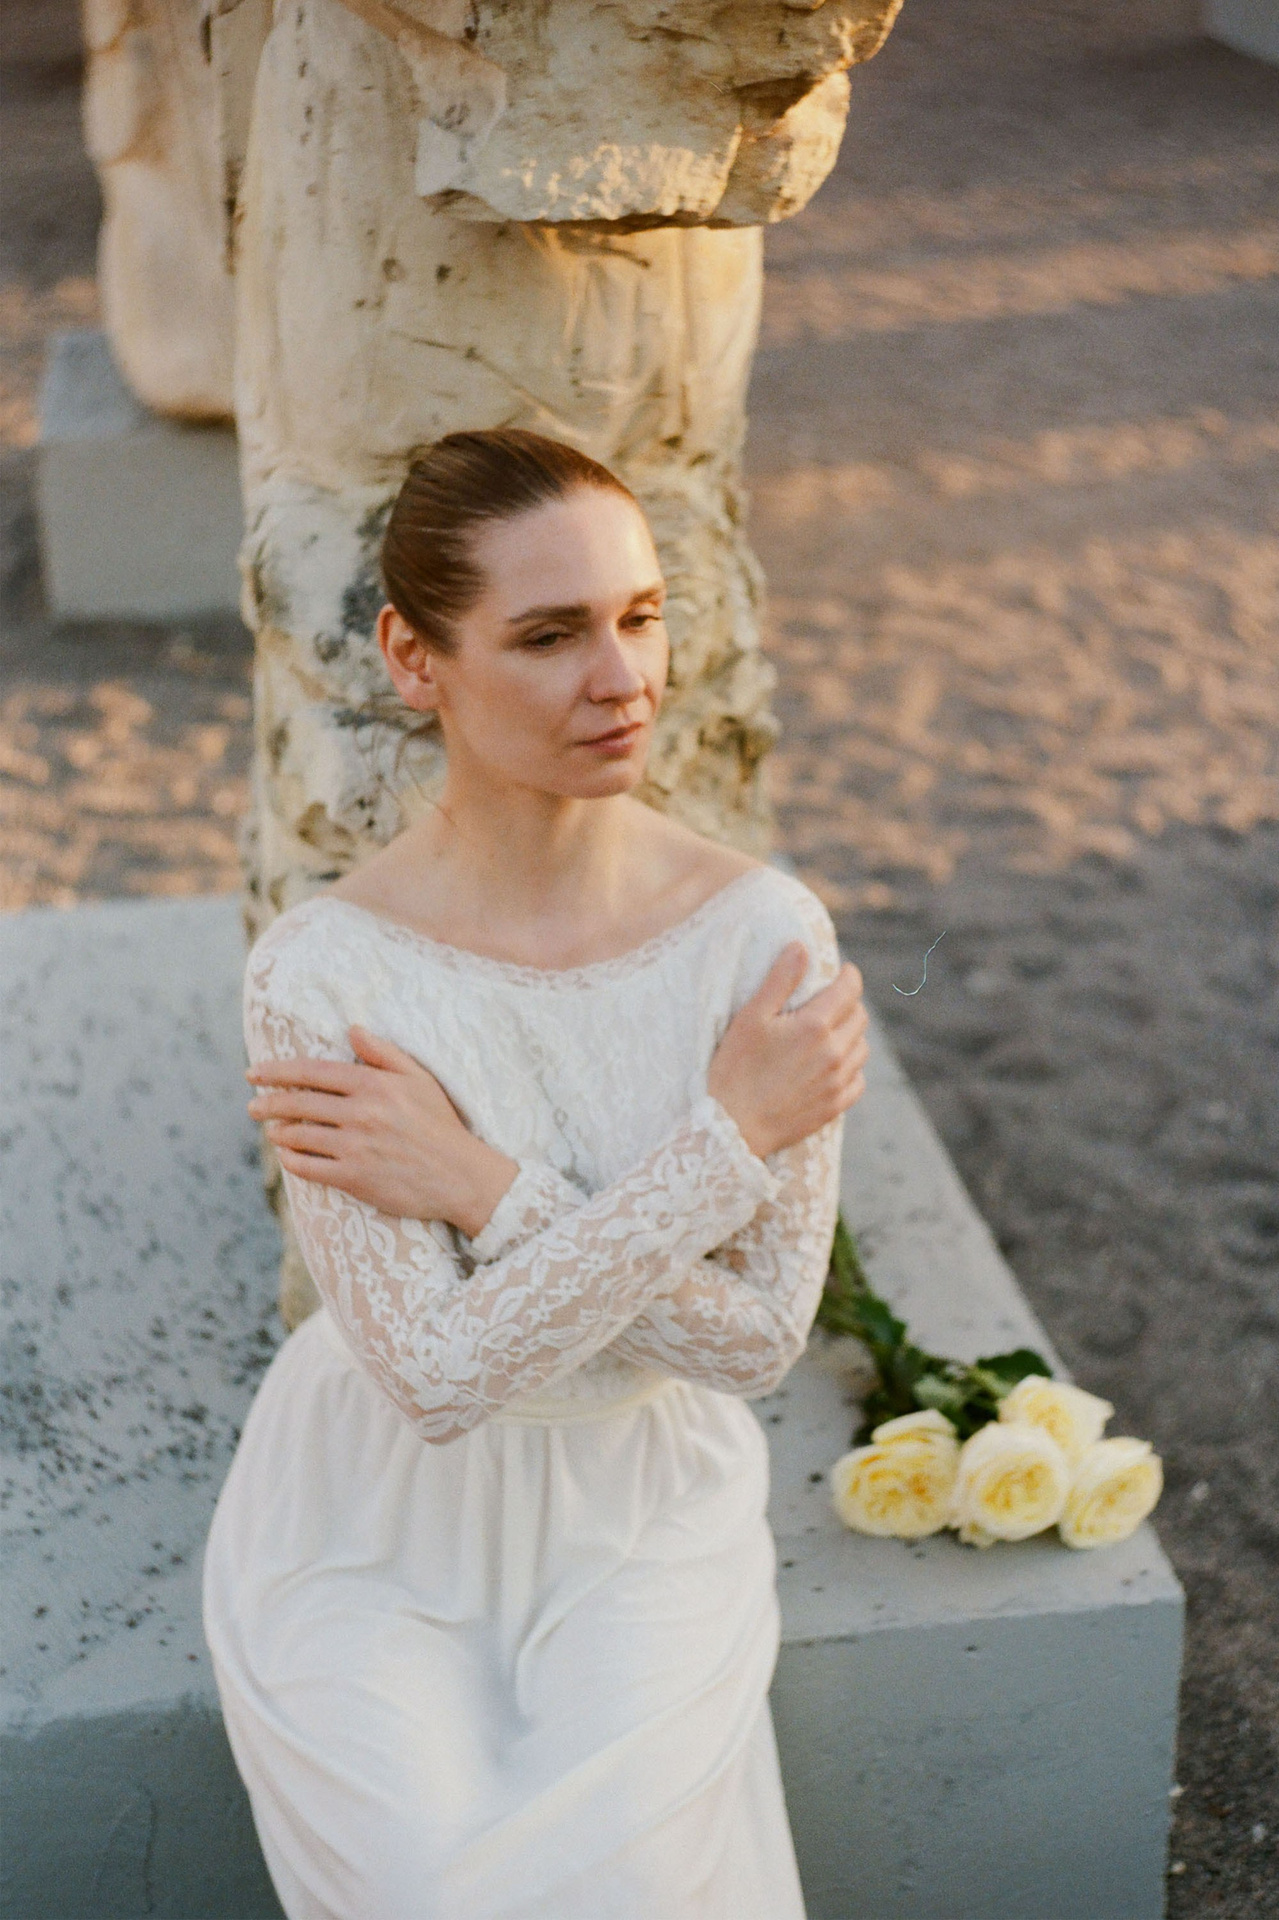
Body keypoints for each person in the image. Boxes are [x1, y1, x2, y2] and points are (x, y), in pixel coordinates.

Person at [202, 426, 871, 1918]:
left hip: (641, 1508)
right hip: (372, 1519)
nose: (622, 678)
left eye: (641, 616)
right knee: (427, 1888)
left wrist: (479, 1186)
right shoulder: (321, 975)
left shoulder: (766, 942)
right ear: (414, 657)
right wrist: (722, 1147)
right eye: (551, 635)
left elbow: (759, 1341)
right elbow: (438, 1378)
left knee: (611, 1881)